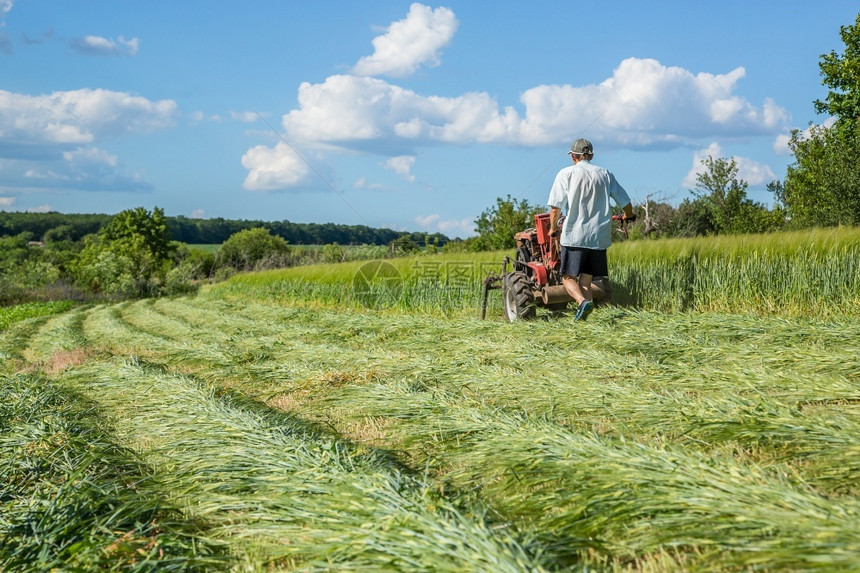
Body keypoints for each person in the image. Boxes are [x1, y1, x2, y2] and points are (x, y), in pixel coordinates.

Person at [548, 138, 635, 321]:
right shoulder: (605, 174)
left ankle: (581, 302)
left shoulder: (566, 174)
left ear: (573, 156)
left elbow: (556, 207)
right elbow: (625, 202)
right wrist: (628, 215)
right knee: (586, 280)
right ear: (591, 155)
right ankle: (585, 320)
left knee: (567, 277)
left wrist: (553, 228)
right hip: (598, 237)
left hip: (575, 236)